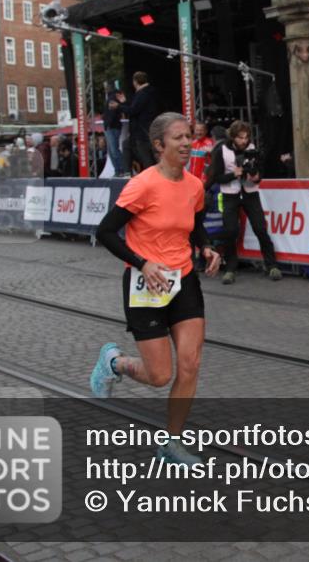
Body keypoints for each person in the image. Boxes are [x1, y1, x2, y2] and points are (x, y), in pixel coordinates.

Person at [91, 112, 221, 465]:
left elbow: (193, 224)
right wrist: (142, 263)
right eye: (178, 138)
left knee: (191, 364)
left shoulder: (194, 185)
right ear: (159, 145)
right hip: (144, 284)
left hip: (183, 280)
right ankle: (114, 362)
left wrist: (206, 245)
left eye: (189, 136)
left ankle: (171, 443)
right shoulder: (143, 185)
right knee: (160, 375)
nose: (186, 143)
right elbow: (104, 232)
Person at [205, 120, 281, 284]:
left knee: (260, 227)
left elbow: (260, 174)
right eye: (240, 138)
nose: (244, 141)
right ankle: (230, 268)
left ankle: (272, 265)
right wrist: (234, 174)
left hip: (249, 193)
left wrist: (256, 177)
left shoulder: (252, 149)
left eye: (246, 137)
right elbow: (216, 177)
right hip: (230, 194)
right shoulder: (222, 150)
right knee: (231, 231)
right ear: (233, 137)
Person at [117, 71, 160, 174]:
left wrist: (119, 106)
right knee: (126, 144)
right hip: (142, 130)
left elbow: (134, 110)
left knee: (145, 156)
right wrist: (124, 103)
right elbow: (135, 107)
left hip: (142, 131)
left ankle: (150, 176)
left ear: (135, 81)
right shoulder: (146, 92)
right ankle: (128, 172)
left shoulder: (143, 93)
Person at [103, 91, 125, 175]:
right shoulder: (114, 98)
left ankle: (120, 170)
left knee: (114, 150)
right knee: (112, 150)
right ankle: (119, 170)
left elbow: (111, 113)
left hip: (111, 127)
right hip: (112, 126)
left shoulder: (111, 99)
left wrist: (108, 123)